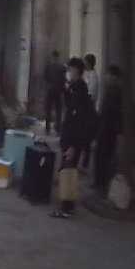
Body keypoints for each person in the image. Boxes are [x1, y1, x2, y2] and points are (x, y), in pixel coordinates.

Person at [52, 57, 96, 218]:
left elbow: (77, 120)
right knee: (67, 170)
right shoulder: (74, 87)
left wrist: (72, 145)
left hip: (73, 139)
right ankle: (66, 205)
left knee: (68, 171)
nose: (69, 72)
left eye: (70, 69)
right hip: (70, 137)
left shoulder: (79, 90)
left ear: (76, 70)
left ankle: (66, 208)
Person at [95, 65, 123, 194]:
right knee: (99, 155)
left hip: (109, 129)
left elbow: (115, 113)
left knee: (105, 157)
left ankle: (103, 184)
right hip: (104, 127)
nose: (106, 77)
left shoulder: (117, 92)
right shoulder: (109, 90)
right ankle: (99, 182)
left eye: (108, 75)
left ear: (114, 77)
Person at [80, 54, 100, 169]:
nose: (84, 64)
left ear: (89, 63)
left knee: (86, 138)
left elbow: (91, 95)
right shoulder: (86, 74)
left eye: (85, 62)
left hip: (89, 109)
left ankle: (85, 164)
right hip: (84, 108)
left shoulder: (93, 77)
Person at [43, 50, 65, 135]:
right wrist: (62, 90)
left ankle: (47, 128)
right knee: (58, 110)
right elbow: (63, 80)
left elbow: (45, 78)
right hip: (58, 91)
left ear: (52, 57)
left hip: (50, 90)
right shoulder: (62, 67)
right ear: (58, 57)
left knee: (48, 109)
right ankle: (58, 129)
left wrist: (48, 86)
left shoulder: (48, 66)